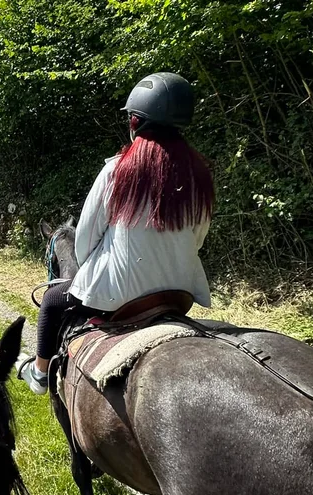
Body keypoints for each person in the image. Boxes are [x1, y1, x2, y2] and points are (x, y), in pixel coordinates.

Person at [19, 72, 215, 395]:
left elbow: (83, 244)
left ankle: (40, 375)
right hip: (180, 295)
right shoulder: (200, 178)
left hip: (122, 298)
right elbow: (198, 239)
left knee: (53, 300)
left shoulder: (117, 171)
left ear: (135, 123)